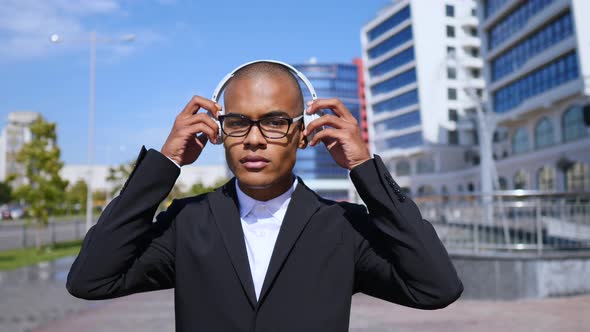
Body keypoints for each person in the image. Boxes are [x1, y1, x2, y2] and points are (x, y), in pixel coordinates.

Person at [67, 61, 463, 331]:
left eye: (275, 122)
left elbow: (436, 288)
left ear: (304, 131)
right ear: (218, 131)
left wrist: (364, 169)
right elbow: (91, 280)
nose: (254, 139)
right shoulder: (188, 221)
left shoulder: (344, 227)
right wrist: (165, 162)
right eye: (238, 122)